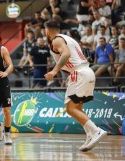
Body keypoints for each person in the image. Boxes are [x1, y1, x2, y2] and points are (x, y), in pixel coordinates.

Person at [44, 20, 107, 152]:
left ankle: (96, 131)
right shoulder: (69, 38)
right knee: (78, 108)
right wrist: (71, 73)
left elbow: (66, 54)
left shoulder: (56, 40)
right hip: (86, 72)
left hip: (80, 74)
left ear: (47, 31)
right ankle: (90, 135)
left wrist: (54, 71)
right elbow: (74, 58)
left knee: (70, 109)